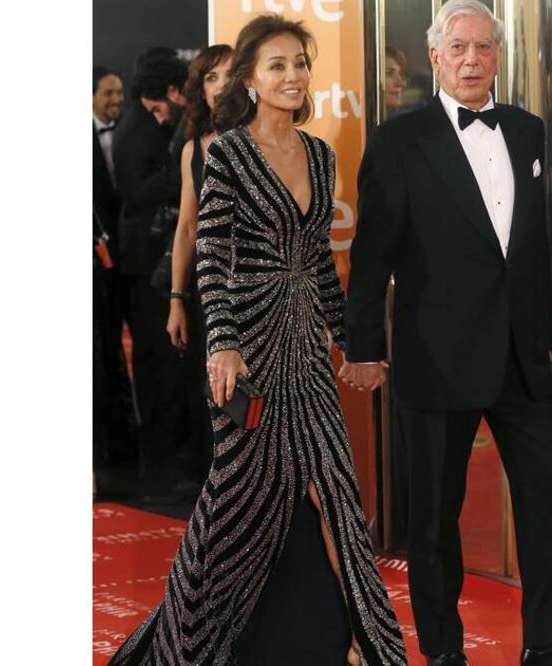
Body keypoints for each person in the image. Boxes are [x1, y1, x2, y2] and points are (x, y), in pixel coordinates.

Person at [108, 15, 406, 666]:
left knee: (332, 486)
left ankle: (360, 638)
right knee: (239, 499)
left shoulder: (321, 155)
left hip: (303, 348)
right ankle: (187, 639)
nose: (293, 75)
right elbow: (212, 253)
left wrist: (353, 344)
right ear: (249, 77)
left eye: (300, 62)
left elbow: (320, 260)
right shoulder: (228, 153)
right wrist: (221, 344)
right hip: (247, 346)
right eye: (277, 65)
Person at [341, 2, 552, 665]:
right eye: (459, 48)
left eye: (484, 47)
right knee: (431, 522)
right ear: (435, 56)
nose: (472, 59)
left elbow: (546, 241)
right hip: (437, 355)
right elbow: (372, 254)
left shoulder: (529, 131)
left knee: (545, 504)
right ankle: (444, 651)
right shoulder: (399, 140)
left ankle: (549, 640)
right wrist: (362, 345)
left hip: (522, 356)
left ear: (498, 56)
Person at [112, 53, 199, 502]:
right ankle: (161, 471)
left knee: (165, 365)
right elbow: (136, 192)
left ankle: (170, 465)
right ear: (170, 89)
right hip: (146, 267)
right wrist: (182, 178)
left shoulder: (152, 126)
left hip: (152, 263)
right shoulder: (136, 131)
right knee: (155, 365)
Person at [162, 43, 235, 504]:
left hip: (260, 287)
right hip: (210, 293)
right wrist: (175, 299)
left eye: (229, 75)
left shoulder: (267, 139)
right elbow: (186, 226)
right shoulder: (193, 149)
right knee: (217, 398)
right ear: (200, 90)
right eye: (211, 77)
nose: (221, 85)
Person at [93, 65, 136, 470]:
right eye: (108, 94)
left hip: (119, 255)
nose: (116, 101)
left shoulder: (123, 132)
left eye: (120, 93)